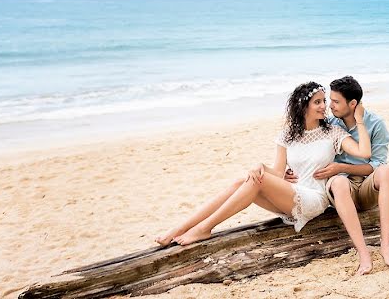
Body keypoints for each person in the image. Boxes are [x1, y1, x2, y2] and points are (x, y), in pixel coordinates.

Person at [154, 81, 370, 246]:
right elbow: (276, 172)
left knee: (257, 179)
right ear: (303, 106)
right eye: (318, 102)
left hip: (314, 198)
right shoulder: (287, 135)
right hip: (291, 193)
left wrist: (359, 120)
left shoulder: (333, 132)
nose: (324, 107)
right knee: (243, 179)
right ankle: (178, 229)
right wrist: (261, 166)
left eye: (324, 101)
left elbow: (364, 152)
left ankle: (204, 228)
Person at [303, 75, 389, 275]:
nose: (330, 106)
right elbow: (307, 147)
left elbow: (376, 164)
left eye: (336, 102)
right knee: (338, 181)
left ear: (353, 103)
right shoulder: (329, 124)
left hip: (367, 187)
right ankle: (363, 254)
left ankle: (386, 245)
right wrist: (293, 171)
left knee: (387, 170)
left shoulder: (375, 124)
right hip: (340, 189)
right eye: (330, 100)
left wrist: (342, 167)